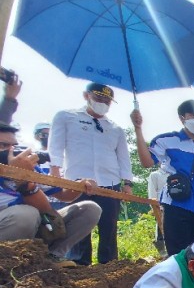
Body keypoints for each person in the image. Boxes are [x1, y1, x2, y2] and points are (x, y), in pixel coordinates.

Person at [48, 82, 133, 265]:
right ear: (86, 96)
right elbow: (55, 146)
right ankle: (79, 266)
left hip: (109, 184)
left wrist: (127, 184)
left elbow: (124, 158)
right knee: (78, 229)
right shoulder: (66, 117)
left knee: (109, 229)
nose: (102, 103)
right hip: (76, 184)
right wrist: (55, 172)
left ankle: (109, 267)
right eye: (98, 98)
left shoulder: (115, 129)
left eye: (107, 101)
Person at [0, 123, 102, 266]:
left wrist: (80, 185)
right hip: (10, 225)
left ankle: (51, 257)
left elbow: (63, 195)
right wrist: (22, 180)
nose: (11, 151)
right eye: (4, 145)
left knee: (90, 209)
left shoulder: (29, 167)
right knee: (26, 214)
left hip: (34, 223)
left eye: (14, 146)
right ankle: (11, 264)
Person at [130, 100, 194, 255]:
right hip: (177, 205)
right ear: (182, 118)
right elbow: (147, 162)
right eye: (192, 115)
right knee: (178, 255)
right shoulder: (167, 140)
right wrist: (138, 129)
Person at [147, 167, 170, 257]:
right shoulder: (155, 175)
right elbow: (152, 194)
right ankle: (163, 254)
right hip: (161, 208)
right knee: (161, 231)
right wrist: (156, 208)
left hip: (176, 208)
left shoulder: (177, 172)